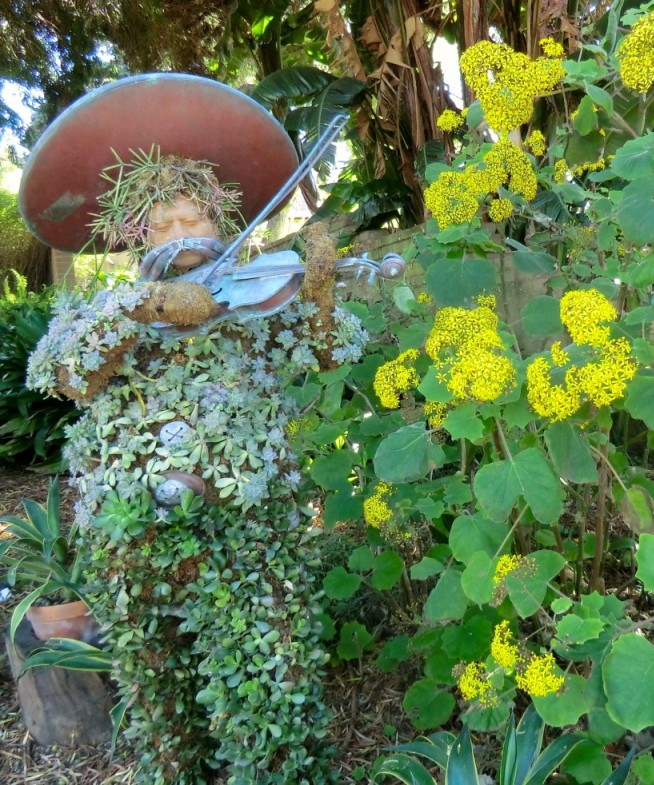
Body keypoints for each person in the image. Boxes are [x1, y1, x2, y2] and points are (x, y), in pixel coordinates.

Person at [22, 74, 373, 784]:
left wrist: (325, 290)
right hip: (134, 533)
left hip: (247, 526)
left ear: (222, 220)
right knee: (162, 694)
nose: (183, 236)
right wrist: (147, 306)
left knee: (270, 672)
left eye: (195, 219)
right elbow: (63, 370)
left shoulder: (250, 305)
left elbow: (331, 347)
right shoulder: (105, 307)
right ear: (132, 236)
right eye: (163, 224)